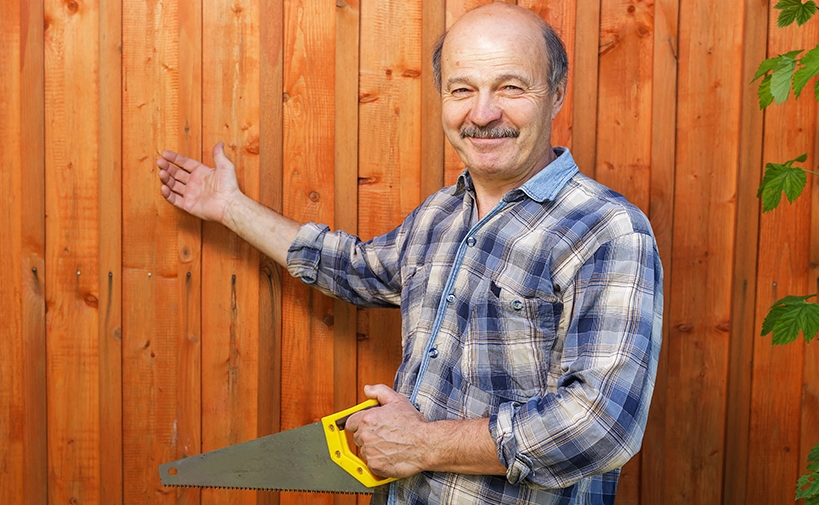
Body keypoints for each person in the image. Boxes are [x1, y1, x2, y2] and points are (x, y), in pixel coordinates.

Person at [156, 3, 663, 504]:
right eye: (462, 89)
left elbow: (601, 425)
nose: (482, 113)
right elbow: (353, 268)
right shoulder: (440, 215)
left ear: (555, 95)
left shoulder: (607, 229)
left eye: (510, 87)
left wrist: (421, 444)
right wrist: (229, 207)